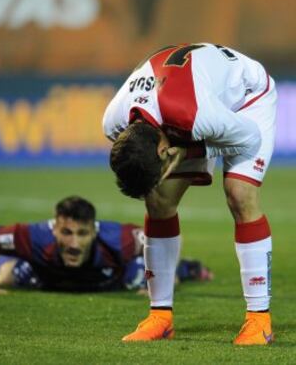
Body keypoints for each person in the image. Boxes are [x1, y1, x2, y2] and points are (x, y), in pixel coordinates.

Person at [102, 43, 277, 345]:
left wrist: (189, 150)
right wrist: (178, 154)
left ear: (162, 148)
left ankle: (259, 320)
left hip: (246, 99)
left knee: (239, 193)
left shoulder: (195, 116)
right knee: (157, 200)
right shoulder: (113, 123)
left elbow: (250, 138)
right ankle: (160, 317)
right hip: (189, 105)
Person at [0, 196, 212, 294]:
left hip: (111, 276)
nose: (74, 243)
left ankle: (188, 268)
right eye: (66, 232)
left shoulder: (119, 238)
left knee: (147, 278)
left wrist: (161, 285)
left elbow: (169, 237)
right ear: (55, 229)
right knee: (5, 277)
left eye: (82, 233)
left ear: (94, 231)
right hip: (46, 275)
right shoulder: (35, 236)